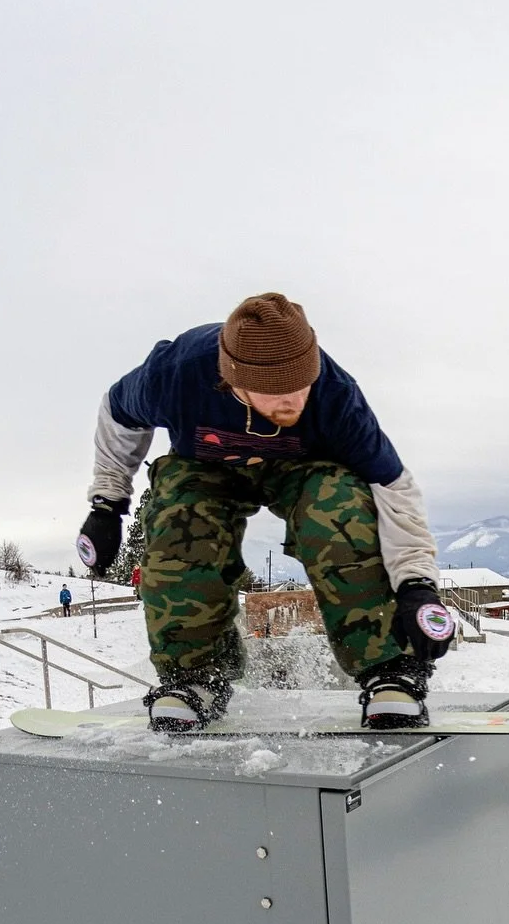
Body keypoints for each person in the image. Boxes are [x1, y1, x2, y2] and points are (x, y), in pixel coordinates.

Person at [75, 293, 455, 730]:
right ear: (232, 380)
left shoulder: (335, 395)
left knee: (340, 510)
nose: (293, 402)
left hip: (303, 468)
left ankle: (390, 669)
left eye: (302, 385)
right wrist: (107, 503)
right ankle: (195, 675)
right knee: (181, 523)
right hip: (205, 466)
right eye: (275, 393)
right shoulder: (177, 372)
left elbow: (394, 489)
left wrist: (416, 584)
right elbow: (118, 414)